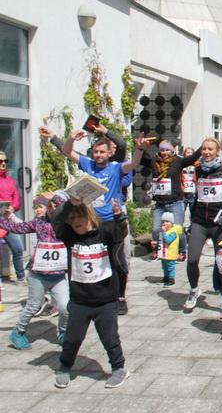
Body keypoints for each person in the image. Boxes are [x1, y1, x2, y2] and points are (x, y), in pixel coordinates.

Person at [41, 126, 149, 315]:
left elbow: (133, 164)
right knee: (90, 257)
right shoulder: (88, 164)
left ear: (109, 153)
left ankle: (120, 297)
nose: (98, 155)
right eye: (96, 152)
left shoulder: (115, 168)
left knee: (118, 260)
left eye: (102, 152)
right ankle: (90, 295)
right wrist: (70, 138)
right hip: (91, 222)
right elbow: (67, 151)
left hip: (111, 221)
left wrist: (139, 149)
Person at [51, 195, 129, 389]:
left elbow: (120, 232)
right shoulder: (69, 236)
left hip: (106, 300)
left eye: (80, 217)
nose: (76, 222)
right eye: (72, 219)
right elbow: (55, 220)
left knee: (110, 338)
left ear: (90, 216)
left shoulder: (105, 231)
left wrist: (119, 216)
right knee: (72, 338)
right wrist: (70, 203)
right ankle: (64, 367)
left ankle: (118, 368)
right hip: (80, 300)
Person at [180, 137, 222, 310]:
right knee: (192, 259)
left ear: (217, 152)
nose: (206, 152)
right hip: (199, 222)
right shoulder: (197, 170)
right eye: (204, 149)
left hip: (219, 223)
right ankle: (194, 290)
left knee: (221, 262)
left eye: (210, 149)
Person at [3, 192, 69, 349]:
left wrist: (56, 197)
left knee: (65, 307)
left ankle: (64, 332)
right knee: (33, 305)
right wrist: (3, 219)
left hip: (58, 275)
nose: (52, 209)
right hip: (38, 274)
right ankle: (18, 332)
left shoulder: (67, 224)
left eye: (56, 206)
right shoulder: (39, 222)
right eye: (49, 206)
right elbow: (18, 227)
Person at [141, 140, 189, 260]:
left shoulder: (178, 161)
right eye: (162, 150)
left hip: (175, 202)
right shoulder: (154, 161)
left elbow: (191, 159)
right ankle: (158, 249)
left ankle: (182, 251)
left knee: (177, 229)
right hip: (159, 203)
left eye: (167, 150)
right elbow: (142, 158)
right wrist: (141, 147)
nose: (165, 152)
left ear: (172, 151)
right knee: (156, 229)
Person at [0, 150, 24, 282]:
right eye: (0, 161)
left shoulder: (9, 180)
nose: (3, 163)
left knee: (18, 249)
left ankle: (20, 277)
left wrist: (13, 207)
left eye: (5, 161)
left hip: (8, 219)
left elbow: (16, 198)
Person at [158, 212, 182, 286]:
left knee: (170, 267)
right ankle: (166, 277)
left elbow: (168, 240)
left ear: (172, 223)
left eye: (167, 221)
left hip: (171, 253)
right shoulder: (164, 231)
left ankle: (171, 279)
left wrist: (164, 232)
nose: (164, 223)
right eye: (163, 222)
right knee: (164, 266)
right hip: (164, 253)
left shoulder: (174, 231)